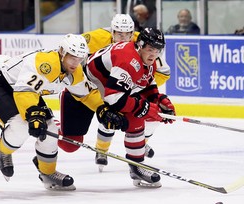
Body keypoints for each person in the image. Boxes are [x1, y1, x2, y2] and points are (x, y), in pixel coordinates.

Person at [0, 33, 126, 191]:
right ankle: (2, 151)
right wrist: (33, 113)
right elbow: (24, 90)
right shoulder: (46, 64)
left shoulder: (74, 71)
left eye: (79, 58)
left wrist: (101, 108)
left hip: (26, 91)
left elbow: (87, 94)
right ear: (62, 52)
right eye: (72, 57)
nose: (76, 63)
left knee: (51, 129)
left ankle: (47, 173)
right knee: (21, 125)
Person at [59, 28, 176, 188]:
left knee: (136, 116)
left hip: (106, 92)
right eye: (150, 49)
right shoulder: (127, 59)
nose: (153, 54)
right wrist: (147, 108)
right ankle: (54, 126)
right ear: (140, 45)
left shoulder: (147, 59)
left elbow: (145, 82)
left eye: (157, 50)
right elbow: (113, 98)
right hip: (82, 92)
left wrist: (159, 99)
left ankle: (137, 167)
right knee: (70, 145)